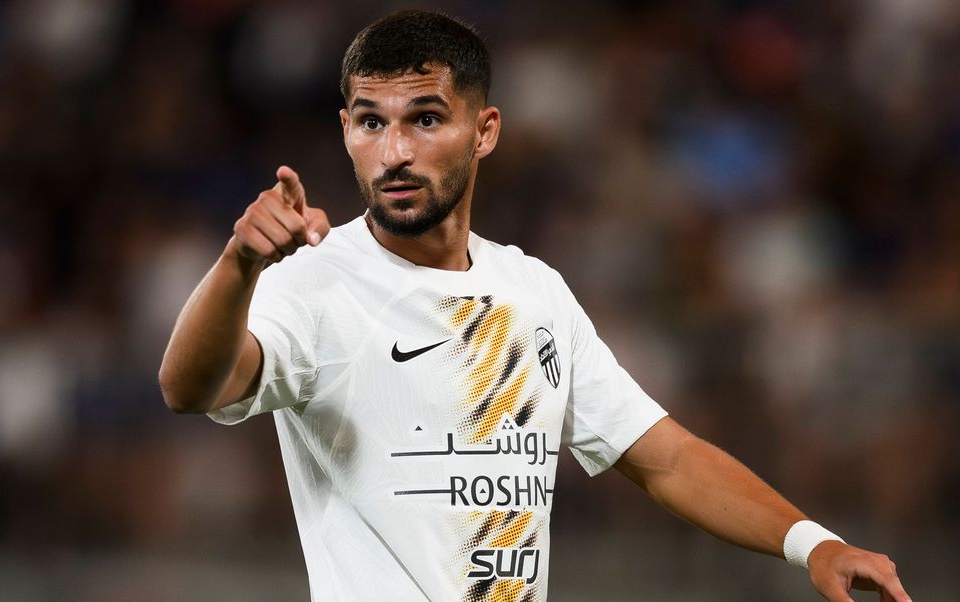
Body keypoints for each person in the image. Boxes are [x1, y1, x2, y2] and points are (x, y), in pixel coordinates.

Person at [159, 9, 910, 602]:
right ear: (347, 131)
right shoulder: (313, 280)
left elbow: (668, 457)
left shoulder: (534, 292)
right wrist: (238, 265)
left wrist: (814, 543)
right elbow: (188, 388)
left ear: (483, 131)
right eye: (370, 121)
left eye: (425, 118)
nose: (394, 151)